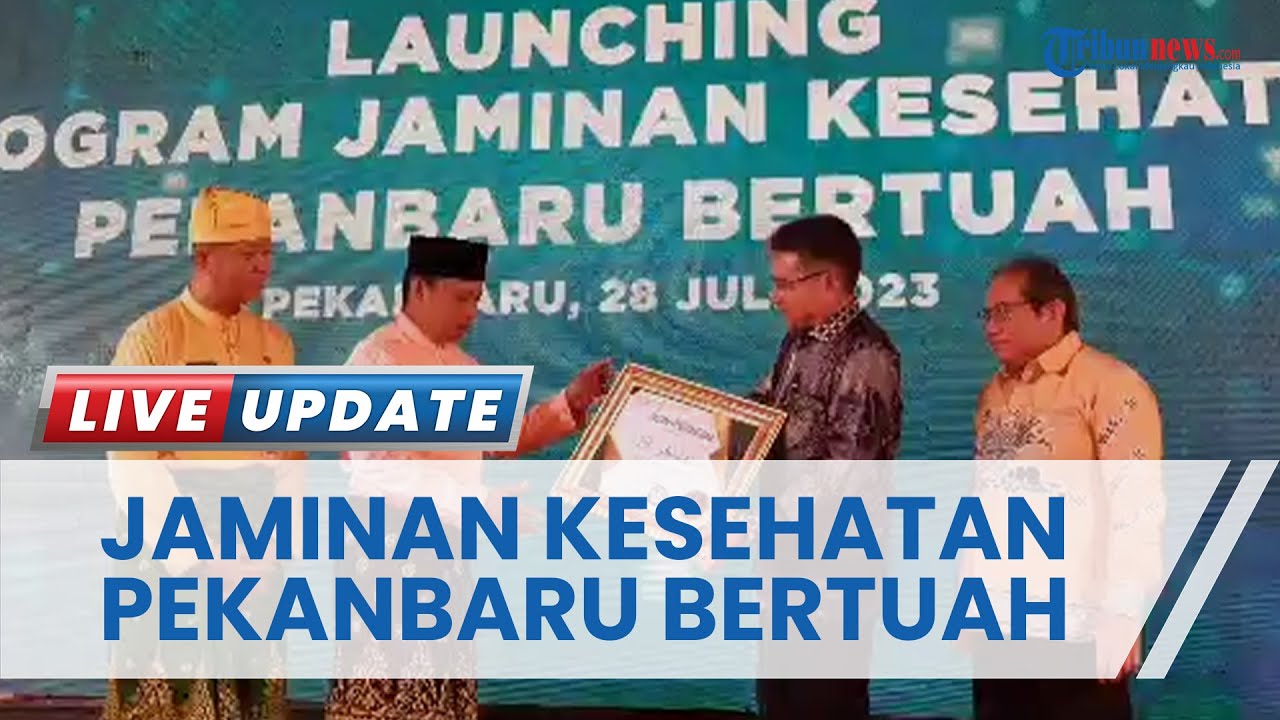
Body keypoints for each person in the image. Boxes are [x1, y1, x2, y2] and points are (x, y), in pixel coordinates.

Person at [323, 235, 613, 720]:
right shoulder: (377, 358)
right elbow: (380, 466)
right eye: (461, 298)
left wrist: (570, 402)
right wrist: (477, 503)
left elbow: (504, 438)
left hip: (449, 554)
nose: (472, 313)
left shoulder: (463, 366)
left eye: (477, 299)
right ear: (420, 288)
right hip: (387, 556)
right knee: (386, 702)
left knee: (445, 697)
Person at [103, 187, 302, 720]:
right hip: (171, 546)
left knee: (253, 697)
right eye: (248, 253)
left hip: (254, 544)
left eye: (268, 252)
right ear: (204, 257)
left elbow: (288, 457)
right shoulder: (152, 337)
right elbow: (133, 463)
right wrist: (196, 556)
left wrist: (271, 546)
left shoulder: (275, 343)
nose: (263, 266)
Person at [971, 255, 1164, 720]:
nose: (992, 327)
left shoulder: (1110, 384)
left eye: (1005, 312)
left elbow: (1136, 510)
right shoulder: (994, 393)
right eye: (988, 314)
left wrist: (1123, 614)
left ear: (1052, 312)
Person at [748, 214, 903, 720]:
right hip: (784, 564)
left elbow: (848, 476)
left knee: (822, 703)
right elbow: (764, 414)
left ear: (831, 281)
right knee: (779, 702)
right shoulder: (797, 342)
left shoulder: (867, 356)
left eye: (785, 284)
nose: (776, 297)